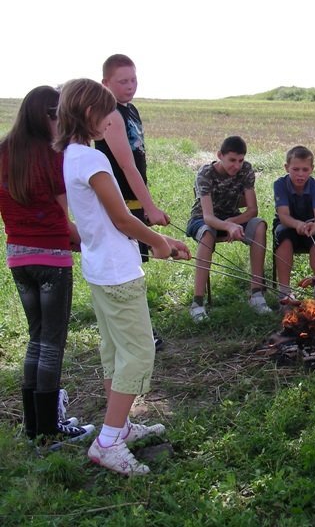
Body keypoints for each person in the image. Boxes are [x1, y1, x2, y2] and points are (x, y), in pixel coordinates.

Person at [55, 78, 191, 476]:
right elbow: (121, 218)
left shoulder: (72, 156)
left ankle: (122, 426)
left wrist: (164, 240)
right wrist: (158, 243)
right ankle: (109, 441)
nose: (111, 120)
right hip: (117, 273)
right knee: (139, 352)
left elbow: (110, 220)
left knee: (116, 350)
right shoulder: (93, 161)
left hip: (101, 268)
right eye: (107, 113)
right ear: (89, 113)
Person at [0, 86, 94, 445]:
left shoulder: (3, 151)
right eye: (59, 116)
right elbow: (62, 217)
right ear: (48, 116)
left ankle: (34, 426)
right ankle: (50, 430)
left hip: (17, 257)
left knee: (36, 338)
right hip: (52, 258)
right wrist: (88, 241)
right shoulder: (52, 155)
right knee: (52, 343)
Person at [95, 54, 169, 350]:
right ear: (105, 83)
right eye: (122, 81)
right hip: (119, 202)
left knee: (134, 264)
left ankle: (139, 328)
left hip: (133, 201)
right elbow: (126, 166)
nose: (130, 86)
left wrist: (146, 203)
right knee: (127, 269)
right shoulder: (111, 114)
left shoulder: (130, 110)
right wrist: (149, 207)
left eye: (133, 79)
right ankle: (137, 332)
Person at [186, 135, 271, 322]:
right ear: (220, 155)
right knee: (207, 233)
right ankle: (197, 303)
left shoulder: (246, 170)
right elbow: (208, 217)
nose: (237, 166)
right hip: (202, 219)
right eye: (232, 160)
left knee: (259, 225)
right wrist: (228, 225)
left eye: (240, 160)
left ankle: (256, 294)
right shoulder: (205, 173)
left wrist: (233, 221)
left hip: (231, 217)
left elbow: (253, 210)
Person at [273, 145, 315, 307]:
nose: (300, 174)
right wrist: (297, 224)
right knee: (284, 239)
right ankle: (285, 291)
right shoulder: (280, 184)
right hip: (287, 225)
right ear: (287, 168)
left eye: (305, 169)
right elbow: (283, 215)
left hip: (311, 226)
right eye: (295, 169)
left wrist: (314, 225)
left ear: (312, 169)